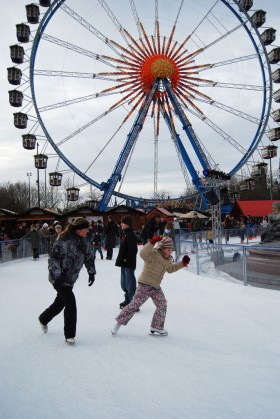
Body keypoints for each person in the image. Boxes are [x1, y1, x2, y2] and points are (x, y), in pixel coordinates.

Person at [111, 236, 190, 337]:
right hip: (145, 284)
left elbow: (171, 269)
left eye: (171, 250)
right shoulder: (153, 254)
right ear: (162, 248)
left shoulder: (168, 259)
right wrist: (151, 242)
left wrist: (182, 264)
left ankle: (156, 326)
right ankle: (119, 323)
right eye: (168, 250)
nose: (170, 252)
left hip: (155, 286)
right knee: (135, 305)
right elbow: (142, 253)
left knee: (162, 304)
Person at [38, 217, 96, 345]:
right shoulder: (63, 240)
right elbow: (53, 259)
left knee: (60, 303)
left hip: (70, 278)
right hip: (59, 278)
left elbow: (89, 257)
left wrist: (91, 272)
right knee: (70, 303)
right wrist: (57, 277)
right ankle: (70, 335)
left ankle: (43, 318)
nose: (88, 231)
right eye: (86, 229)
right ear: (79, 229)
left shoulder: (84, 241)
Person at [115, 215, 138, 309]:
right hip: (123, 263)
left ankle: (133, 303)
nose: (121, 224)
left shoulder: (130, 234)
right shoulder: (125, 233)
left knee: (130, 283)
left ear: (127, 224)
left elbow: (133, 249)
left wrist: (126, 258)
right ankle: (128, 299)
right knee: (124, 283)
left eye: (122, 222)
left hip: (128, 263)